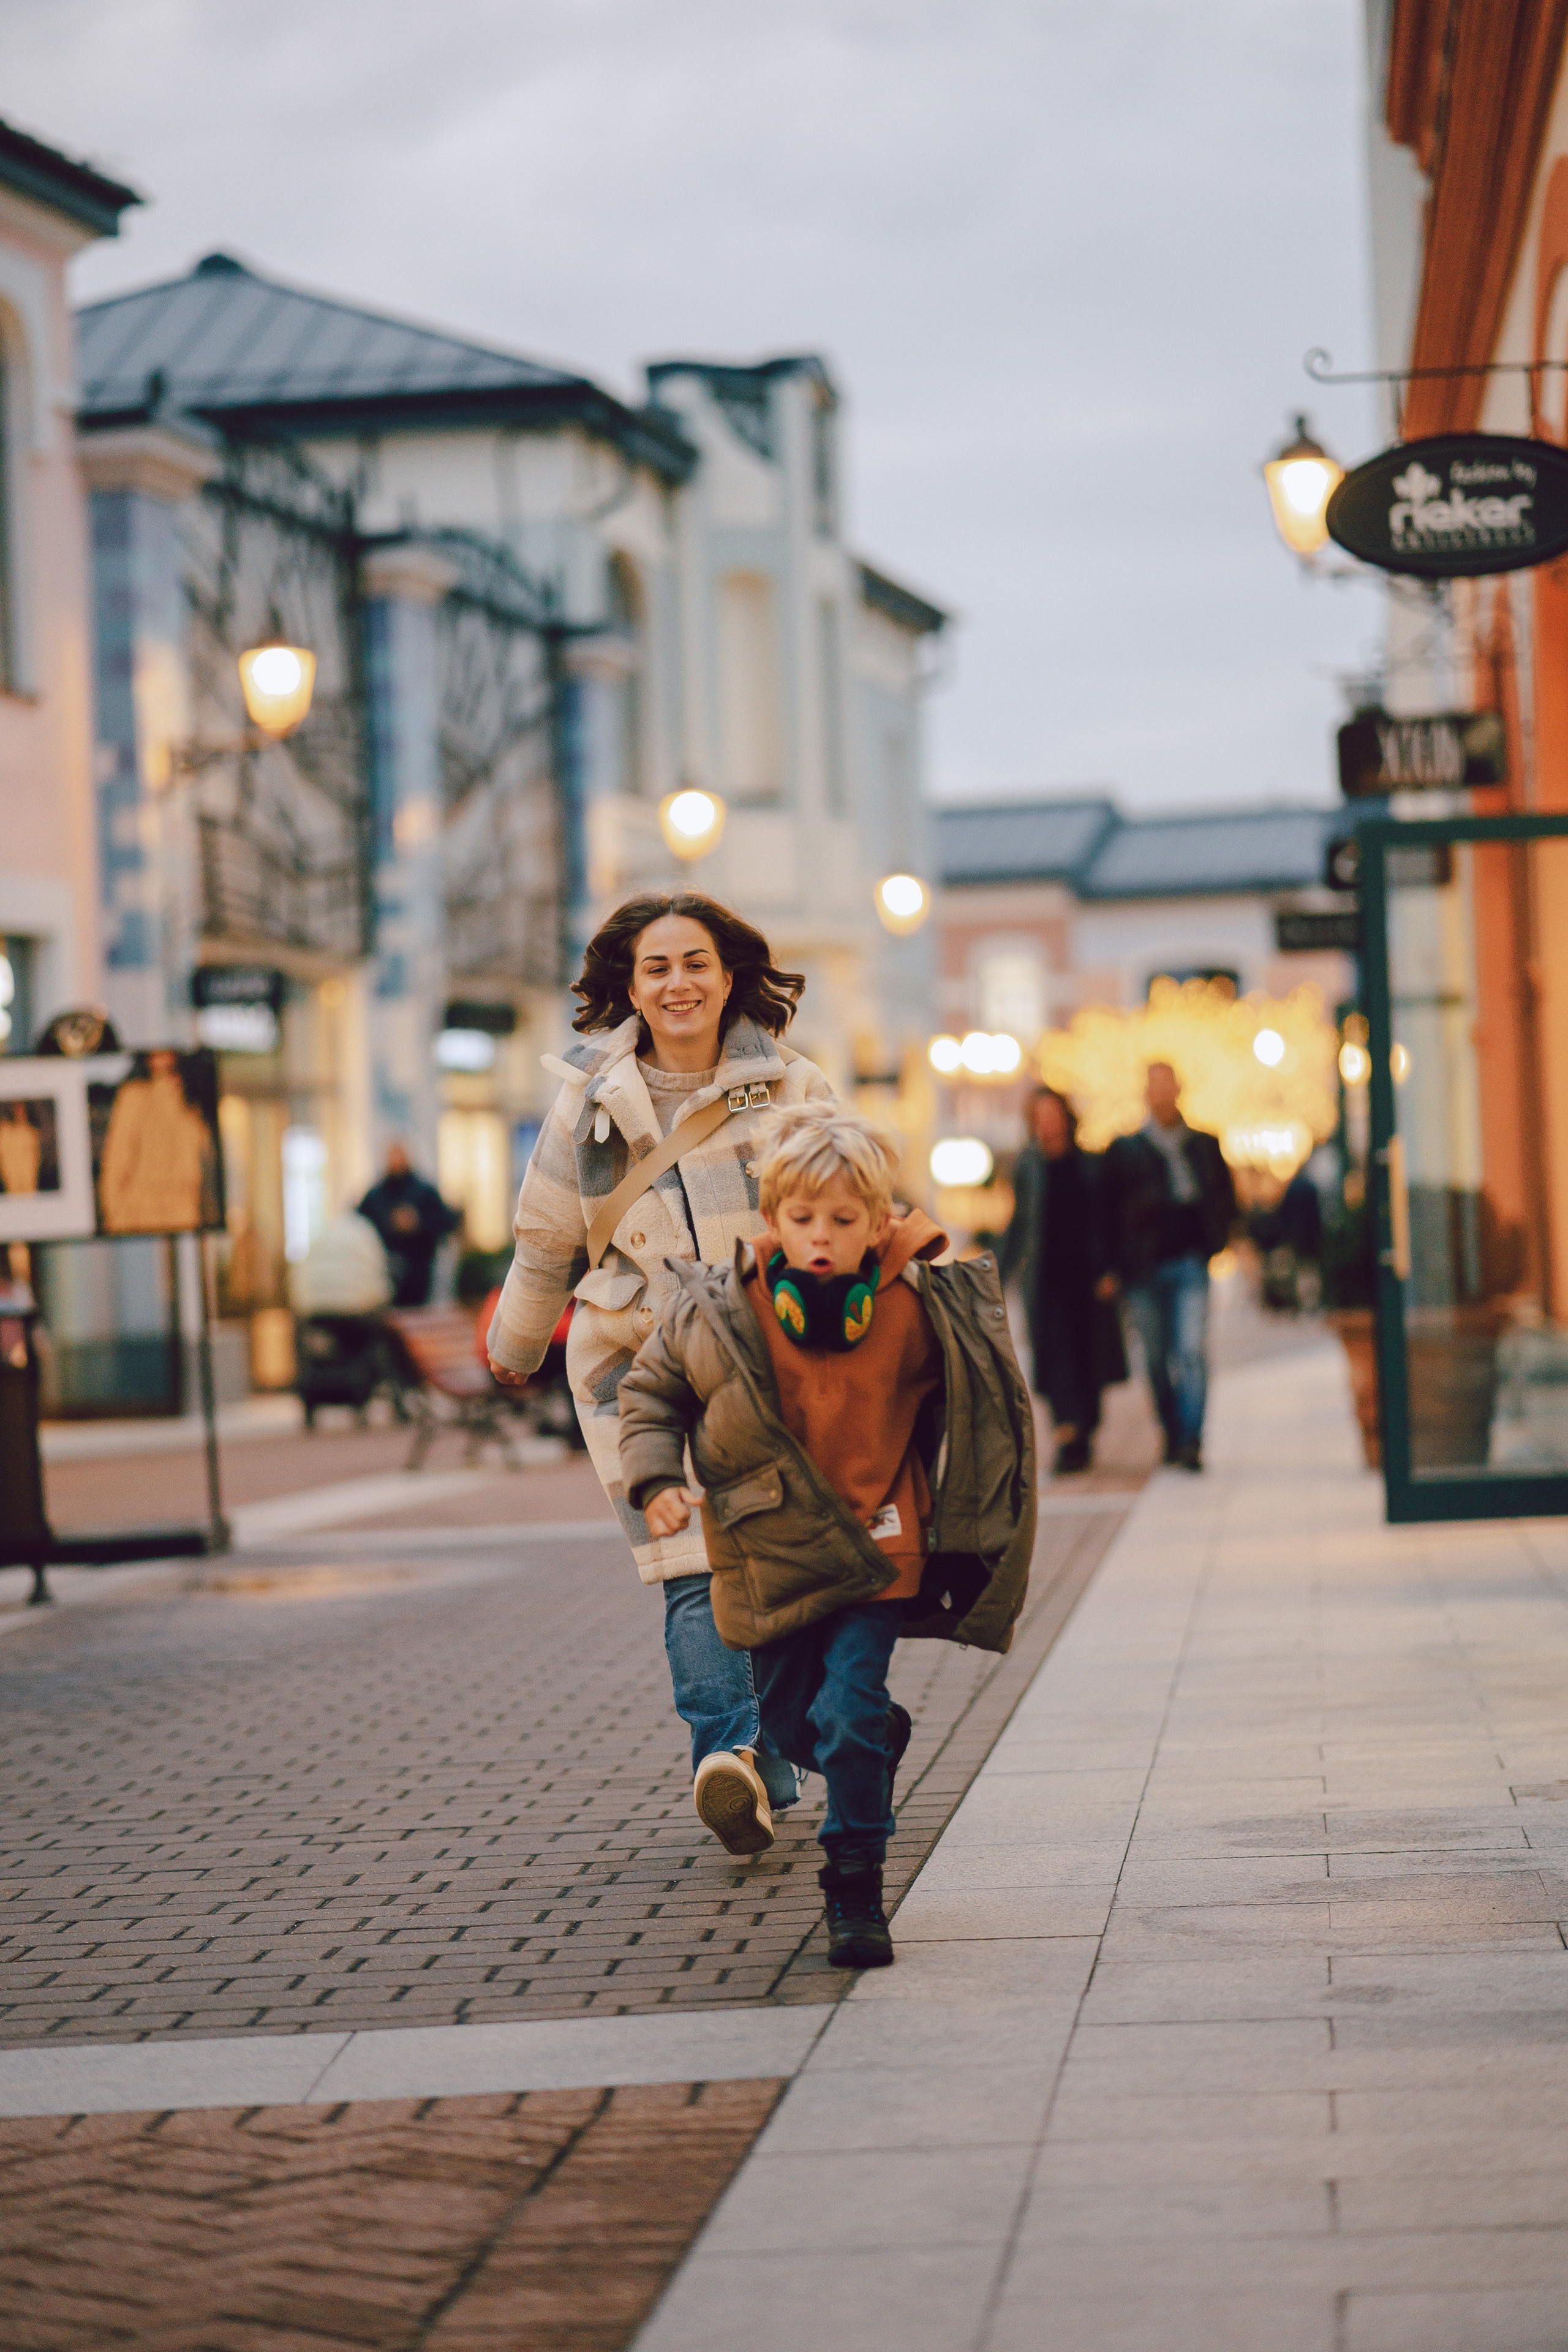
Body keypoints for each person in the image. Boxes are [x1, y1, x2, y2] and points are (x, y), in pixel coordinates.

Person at [617, 1102, 1036, 1970]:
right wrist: (656, 1480)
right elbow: (653, 1392)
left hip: (877, 1554)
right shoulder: (723, 1313)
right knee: (794, 1721)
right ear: (770, 1222)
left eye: (843, 1222)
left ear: (877, 1224)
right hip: (769, 1558)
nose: (820, 1238)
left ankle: (855, 1890)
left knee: (846, 1716)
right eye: (802, 1219)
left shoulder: (916, 1314)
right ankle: (872, 1739)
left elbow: (983, 1401)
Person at [484, 891, 835, 1851]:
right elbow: (546, 1232)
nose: (677, 983)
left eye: (694, 964)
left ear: (729, 979)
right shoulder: (589, 1098)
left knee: (772, 1560)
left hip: (773, 1362)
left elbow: (853, 1212)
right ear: (628, 986)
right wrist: (514, 1347)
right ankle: (728, 1756)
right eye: (656, 968)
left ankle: (764, 1760)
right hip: (638, 1369)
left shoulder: (795, 1089)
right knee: (687, 1563)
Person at [1104, 1060, 1236, 1472]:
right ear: (1145, 1094)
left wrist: (1218, 1240)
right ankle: (1172, 1432)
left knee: (1192, 1351)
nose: (1161, 1094)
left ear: (1179, 1090)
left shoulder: (1203, 1144)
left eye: (1168, 1086)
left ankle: (1191, 1441)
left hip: (1191, 1263)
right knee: (1157, 1358)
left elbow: (1225, 1197)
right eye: (1154, 1087)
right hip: (1143, 1270)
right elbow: (1108, 1214)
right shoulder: (1125, 1150)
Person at [1000, 1085, 1124, 1476]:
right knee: (1054, 1359)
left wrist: (1111, 1268)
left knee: (1089, 1357)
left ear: (1067, 1118)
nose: (1048, 1124)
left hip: (1088, 1281)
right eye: (1040, 1117)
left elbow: (1107, 1221)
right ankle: (1067, 1435)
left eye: (1053, 1115)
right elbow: (1019, 1226)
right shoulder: (1027, 1168)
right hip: (1046, 1279)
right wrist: (996, 1276)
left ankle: (1085, 1429)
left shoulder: (1091, 1164)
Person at [357, 1144, 459, 1307]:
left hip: (419, 1272)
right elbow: (359, 1224)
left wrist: (418, 1223)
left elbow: (447, 1222)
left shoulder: (425, 1192)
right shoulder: (375, 1195)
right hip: (382, 1272)